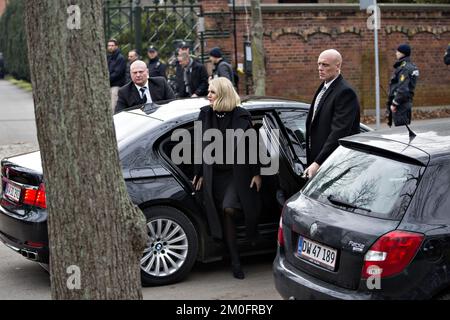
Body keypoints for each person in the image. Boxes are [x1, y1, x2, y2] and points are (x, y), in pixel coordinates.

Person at [192, 77, 261, 279]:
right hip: (214, 174)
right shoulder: (205, 114)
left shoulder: (241, 115)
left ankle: (243, 249)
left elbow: (252, 146)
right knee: (222, 215)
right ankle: (234, 258)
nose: (208, 96)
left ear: (222, 93)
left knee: (229, 209)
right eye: (208, 92)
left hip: (235, 174)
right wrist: (199, 173)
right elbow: (197, 146)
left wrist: (256, 173)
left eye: (212, 92)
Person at [304, 49, 360, 178]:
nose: (320, 68)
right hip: (319, 160)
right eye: (319, 64)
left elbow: (339, 132)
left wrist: (318, 162)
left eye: (325, 65)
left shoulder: (345, 92)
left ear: (338, 66)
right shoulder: (324, 87)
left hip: (334, 163)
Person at [386, 44, 419, 127]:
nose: (396, 53)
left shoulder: (404, 68)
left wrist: (395, 103)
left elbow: (403, 89)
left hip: (401, 105)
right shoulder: (412, 66)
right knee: (404, 129)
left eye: (397, 51)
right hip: (406, 103)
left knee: (401, 131)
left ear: (402, 53)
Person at [107, 39, 127, 111]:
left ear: (116, 46)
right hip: (109, 85)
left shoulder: (120, 58)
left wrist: (107, 79)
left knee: (113, 107)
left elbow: (117, 73)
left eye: (112, 45)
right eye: (109, 45)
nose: (110, 47)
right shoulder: (109, 57)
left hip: (116, 86)